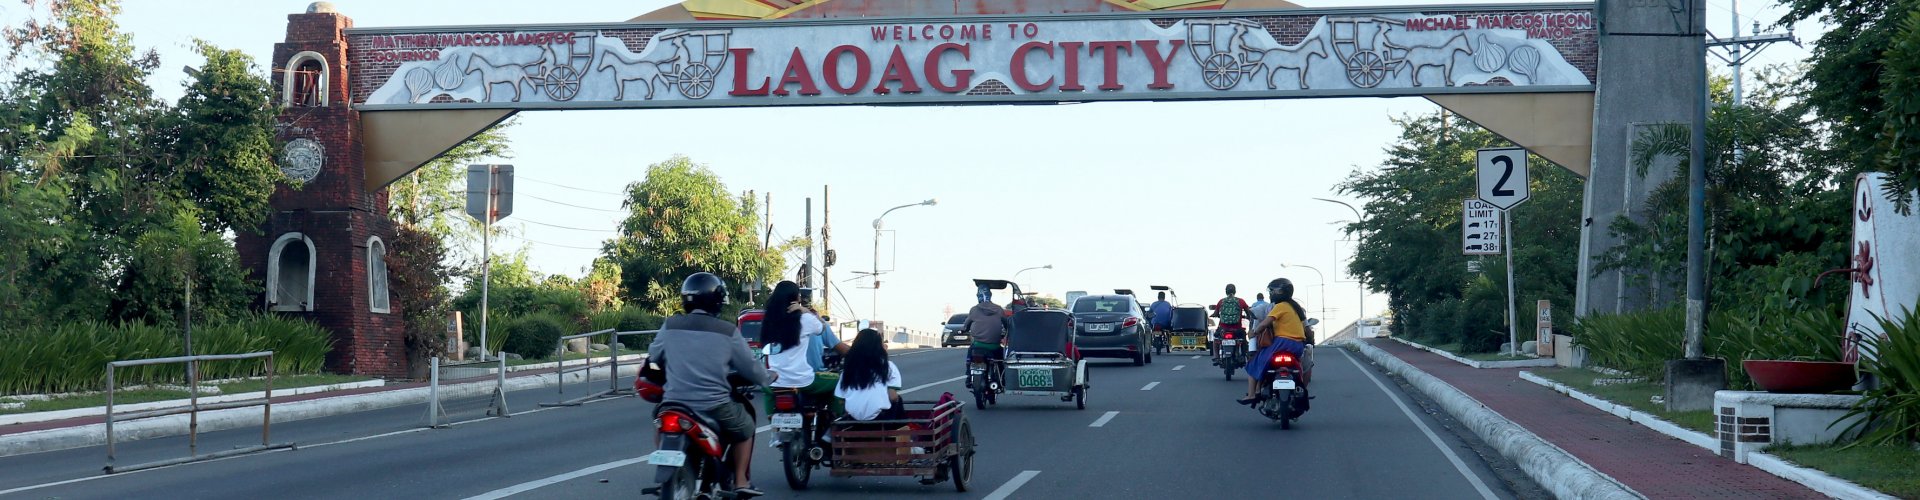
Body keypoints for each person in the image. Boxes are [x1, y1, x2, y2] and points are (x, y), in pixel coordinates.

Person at [648, 272, 768, 497]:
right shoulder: (728, 331)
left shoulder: (670, 325)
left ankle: (670, 469)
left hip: (673, 403)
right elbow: (751, 368)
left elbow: (653, 355)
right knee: (746, 428)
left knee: (660, 423)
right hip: (714, 405)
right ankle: (741, 480)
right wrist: (767, 378)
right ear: (717, 301)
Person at [1240, 278, 1314, 406]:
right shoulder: (1296, 308)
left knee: (1254, 362)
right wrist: (1311, 341)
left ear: (1279, 292)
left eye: (1272, 291)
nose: (1270, 294)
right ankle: (1303, 391)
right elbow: (1308, 330)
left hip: (1282, 343)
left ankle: (1252, 394)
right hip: (1297, 346)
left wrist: (1254, 333)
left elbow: (1265, 323)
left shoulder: (1280, 306)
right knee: (1307, 365)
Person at [836, 329, 905, 421]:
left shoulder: (847, 370)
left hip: (853, 419)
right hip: (880, 418)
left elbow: (841, 400)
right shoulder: (888, 366)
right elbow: (893, 397)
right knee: (898, 399)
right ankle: (901, 427)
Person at [962, 286, 1013, 386]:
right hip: (995, 346)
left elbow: (966, 325)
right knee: (1001, 361)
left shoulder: (974, 310)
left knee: (970, 352)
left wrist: (964, 329)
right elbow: (1007, 324)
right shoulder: (998, 309)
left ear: (978, 296)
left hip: (978, 345)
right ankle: (1002, 379)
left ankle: (968, 375)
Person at [1211, 284, 1252, 358]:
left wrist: (1214, 315)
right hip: (1237, 329)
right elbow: (1248, 312)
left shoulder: (1221, 301)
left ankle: (1216, 357)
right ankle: (1243, 356)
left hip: (1223, 329)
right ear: (1235, 291)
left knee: (1216, 339)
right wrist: (1248, 317)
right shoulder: (1241, 301)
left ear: (1226, 291)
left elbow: (1216, 313)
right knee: (1243, 340)